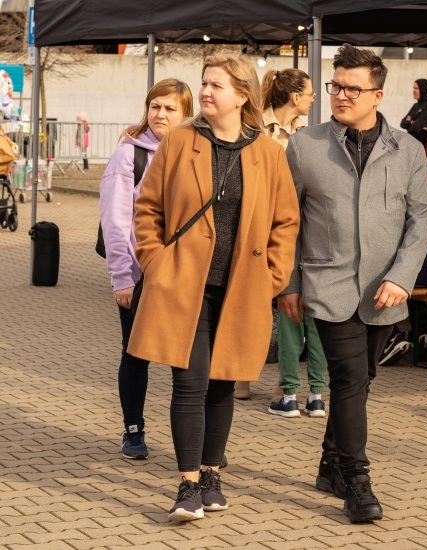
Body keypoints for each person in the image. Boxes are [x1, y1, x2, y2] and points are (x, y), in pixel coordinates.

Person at [127, 53, 300, 522]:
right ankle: (186, 485)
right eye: (204, 83)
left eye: (216, 85)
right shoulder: (181, 141)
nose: (204, 92)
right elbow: (147, 209)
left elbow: (286, 220)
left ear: (243, 94)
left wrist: (273, 277)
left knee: (223, 384)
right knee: (189, 383)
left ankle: (210, 476)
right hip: (185, 284)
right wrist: (155, 261)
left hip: (242, 286)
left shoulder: (266, 152)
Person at [282, 44, 427, 523]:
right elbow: (286, 222)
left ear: (378, 94)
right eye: (335, 86)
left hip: (384, 290)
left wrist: (403, 277)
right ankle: (358, 482)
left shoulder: (407, 149)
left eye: (352, 88)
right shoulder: (306, 145)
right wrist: (288, 282)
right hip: (327, 285)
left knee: (362, 379)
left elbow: (422, 219)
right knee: (348, 381)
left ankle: (330, 463)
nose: (341, 95)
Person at [99, 78, 193, 460]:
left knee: (186, 358)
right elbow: (116, 221)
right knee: (135, 354)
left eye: (171, 108)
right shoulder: (130, 155)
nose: (161, 115)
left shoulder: (196, 152)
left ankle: (192, 440)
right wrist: (122, 276)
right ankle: (133, 430)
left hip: (185, 275)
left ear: (187, 114)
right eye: (156, 106)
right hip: (140, 276)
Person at [246, 67, 328, 418]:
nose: (313, 99)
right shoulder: (254, 128)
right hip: (256, 227)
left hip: (292, 228)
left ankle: (287, 386)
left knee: (290, 306)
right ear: (295, 97)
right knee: (252, 305)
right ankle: (241, 375)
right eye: (310, 94)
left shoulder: (309, 136)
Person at [379, 129, 427, 367]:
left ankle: (392, 336)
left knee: (382, 278)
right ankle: (423, 332)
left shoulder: (399, 183)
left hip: (408, 269)